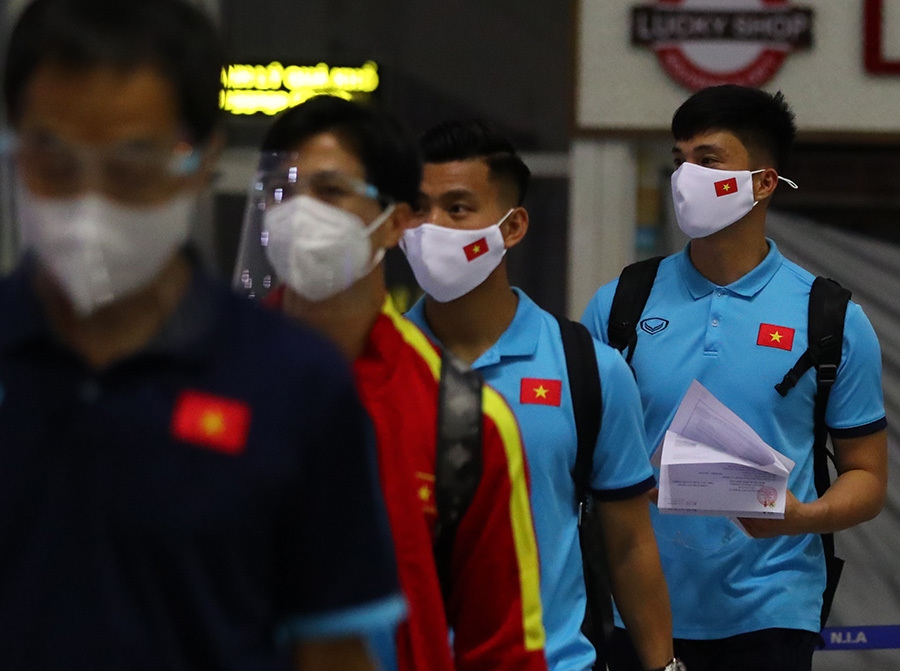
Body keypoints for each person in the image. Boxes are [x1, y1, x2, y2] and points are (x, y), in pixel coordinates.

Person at [0, 1, 403, 669]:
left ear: (203, 156)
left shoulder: (291, 384)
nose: (89, 199)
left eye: (131, 164)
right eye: (54, 161)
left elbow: (330, 649)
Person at [233, 95, 548, 671]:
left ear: (398, 220)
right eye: (283, 191)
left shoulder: (463, 419)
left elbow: (502, 648)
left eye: (329, 192)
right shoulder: (211, 384)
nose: (297, 215)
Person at [581, 85, 888, 671]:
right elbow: (582, 447)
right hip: (635, 604)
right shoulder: (620, 302)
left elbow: (867, 476)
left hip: (773, 608)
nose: (685, 176)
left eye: (707, 159)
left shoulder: (829, 317)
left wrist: (801, 517)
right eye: (678, 160)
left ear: (764, 182)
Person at [401, 119, 679, 671]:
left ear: (512, 226)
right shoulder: (378, 366)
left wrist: (663, 667)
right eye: (418, 209)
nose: (432, 228)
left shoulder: (588, 371)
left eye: (457, 209)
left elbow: (629, 544)